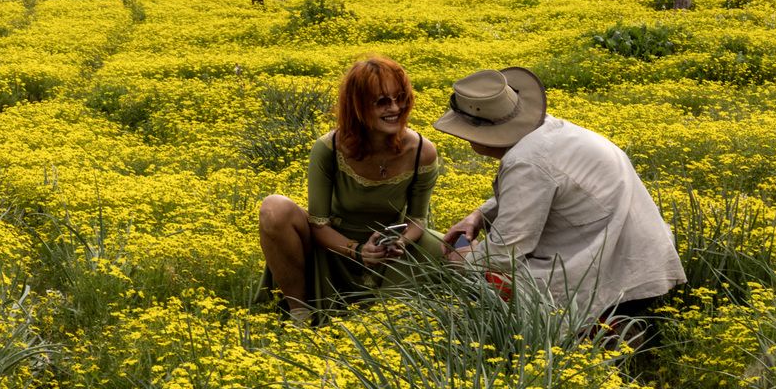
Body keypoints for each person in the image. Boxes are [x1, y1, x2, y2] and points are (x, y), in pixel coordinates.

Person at [435, 67, 686, 332]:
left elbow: (504, 252)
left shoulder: (526, 161)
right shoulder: (549, 131)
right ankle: (609, 329)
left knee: (479, 274)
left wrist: (462, 260)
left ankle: (591, 334)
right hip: (643, 264)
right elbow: (543, 188)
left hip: (617, 279)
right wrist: (478, 216)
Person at [258, 56, 441, 325]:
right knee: (274, 208)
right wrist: (357, 251)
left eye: (400, 97)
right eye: (382, 101)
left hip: (391, 251)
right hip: (334, 248)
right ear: (357, 107)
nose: (396, 108)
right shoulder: (329, 148)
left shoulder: (422, 152)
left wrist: (399, 242)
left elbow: (417, 221)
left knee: (460, 250)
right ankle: (300, 313)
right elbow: (318, 225)